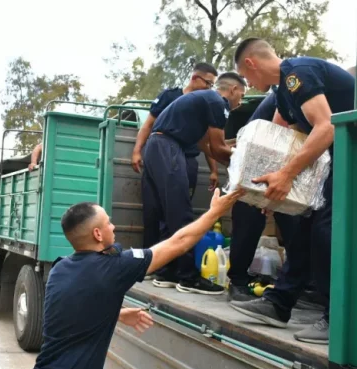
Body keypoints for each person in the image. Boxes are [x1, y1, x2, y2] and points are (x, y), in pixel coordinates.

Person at [27, 188, 243, 369]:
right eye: (109, 222)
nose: (114, 227)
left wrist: (116, 313)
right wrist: (215, 211)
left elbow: (75, 305)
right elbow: (178, 243)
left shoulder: (60, 268)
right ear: (97, 233)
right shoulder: (113, 268)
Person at [229, 38, 355, 344]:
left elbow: (325, 127)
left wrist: (286, 175)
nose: (250, 84)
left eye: (247, 78)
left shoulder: (297, 73)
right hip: (337, 158)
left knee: (326, 231)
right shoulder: (282, 92)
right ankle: (279, 304)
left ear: (251, 64)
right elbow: (280, 143)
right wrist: (273, 194)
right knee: (303, 229)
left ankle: (337, 319)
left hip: (350, 154)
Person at [143, 72, 246, 295]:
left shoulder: (200, 103)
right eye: (242, 96)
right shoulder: (218, 102)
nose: (240, 102)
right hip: (168, 148)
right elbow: (219, 149)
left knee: (167, 214)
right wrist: (245, 167)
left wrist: (230, 152)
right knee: (181, 213)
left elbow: (206, 145)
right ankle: (188, 277)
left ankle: (167, 271)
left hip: (156, 146)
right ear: (233, 90)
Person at [226, 92, 302, 301]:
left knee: (296, 225)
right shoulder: (291, 91)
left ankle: (299, 285)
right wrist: (268, 196)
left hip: (283, 163)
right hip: (256, 162)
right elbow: (280, 135)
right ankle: (238, 282)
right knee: (248, 221)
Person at [131, 63, 220, 194]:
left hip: (187, 160)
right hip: (161, 157)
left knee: (180, 206)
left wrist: (214, 170)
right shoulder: (169, 96)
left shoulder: (205, 105)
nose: (209, 88)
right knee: (153, 204)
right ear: (195, 78)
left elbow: (205, 140)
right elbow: (148, 125)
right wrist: (137, 151)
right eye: (207, 83)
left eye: (212, 85)